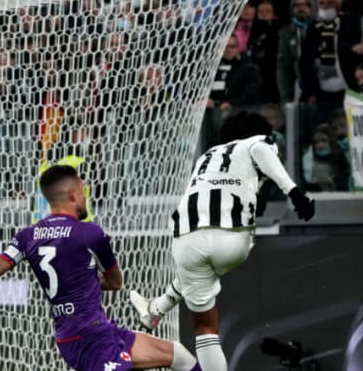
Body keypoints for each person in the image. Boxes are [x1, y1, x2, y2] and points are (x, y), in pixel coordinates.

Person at [0, 165, 202, 371]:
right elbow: (116, 283)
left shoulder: (27, 236)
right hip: (89, 337)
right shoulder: (90, 233)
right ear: (73, 194)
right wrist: (90, 277)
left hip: (91, 332)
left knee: (179, 355)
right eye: (83, 191)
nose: (85, 198)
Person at [129, 111, 315, 371]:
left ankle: (156, 308)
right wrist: (294, 193)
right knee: (204, 274)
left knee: (205, 327)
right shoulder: (256, 142)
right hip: (231, 238)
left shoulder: (206, 157)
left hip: (186, 236)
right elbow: (262, 152)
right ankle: (155, 309)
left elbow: (216, 188)